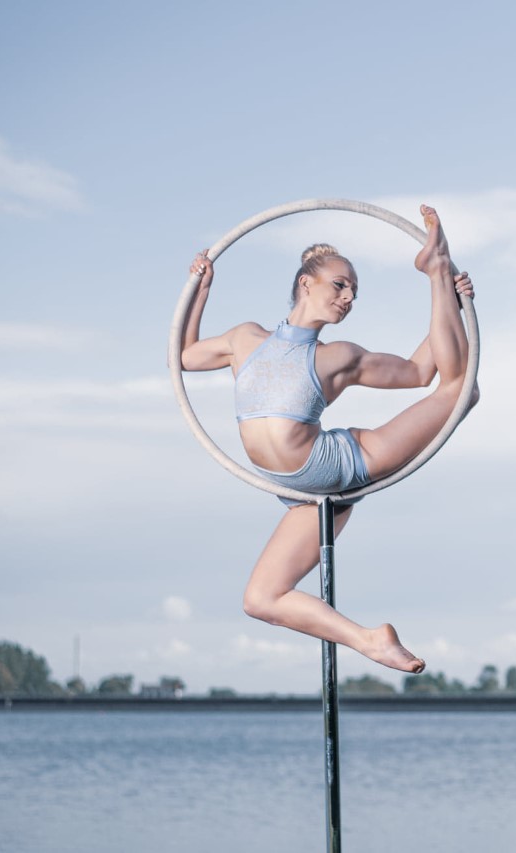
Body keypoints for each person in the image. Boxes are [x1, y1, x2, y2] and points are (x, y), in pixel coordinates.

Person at [178, 205, 476, 673]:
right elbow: (186, 357)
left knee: (460, 391)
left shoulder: (339, 356)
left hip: (342, 463)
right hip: (298, 495)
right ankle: (371, 641)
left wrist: (449, 302)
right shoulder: (244, 339)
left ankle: (436, 270)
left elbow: (423, 372)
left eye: (354, 290)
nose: (349, 296)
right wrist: (202, 289)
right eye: (340, 283)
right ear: (306, 283)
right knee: (260, 599)